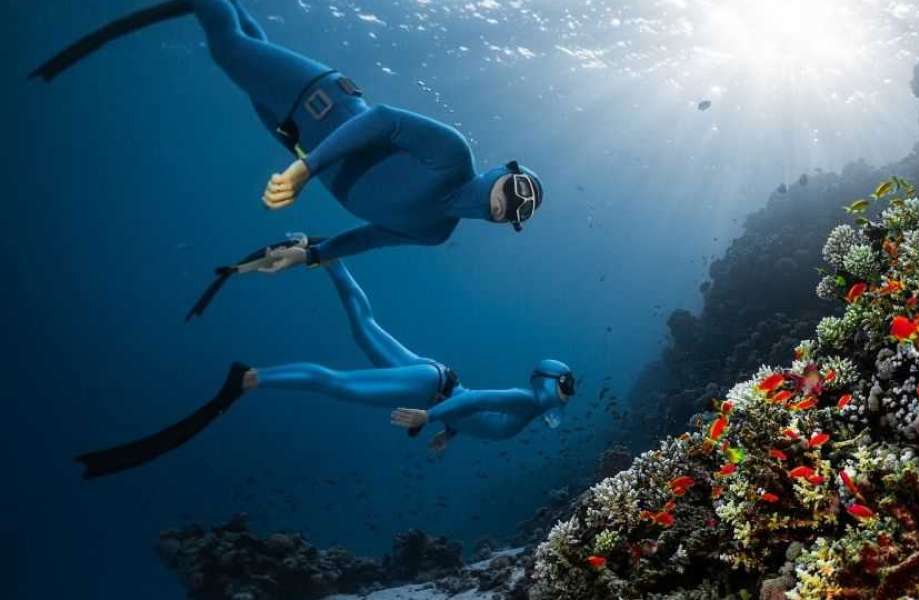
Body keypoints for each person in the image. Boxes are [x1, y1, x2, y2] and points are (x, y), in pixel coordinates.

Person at [31, 0, 546, 272]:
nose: (513, 203)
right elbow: (380, 119)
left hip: (293, 135)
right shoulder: (452, 154)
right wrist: (306, 170)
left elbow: (371, 237)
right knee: (228, 48)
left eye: (520, 210)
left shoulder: (435, 233)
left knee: (246, 50)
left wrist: (314, 254)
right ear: (504, 170)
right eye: (520, 188)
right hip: (317, 98)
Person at [75, 260, 576, 479]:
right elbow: (477, 400)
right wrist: (430, 417)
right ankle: (250, 378)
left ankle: (330, 256)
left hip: (435, 378)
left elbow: (472, 410)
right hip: (432, 389)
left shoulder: (527, 410)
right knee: (335, 384)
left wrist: (448, 432)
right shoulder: (524, 402)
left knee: (365, 327)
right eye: (567, 384)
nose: (569, 392)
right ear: (547, 382)